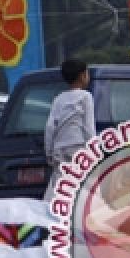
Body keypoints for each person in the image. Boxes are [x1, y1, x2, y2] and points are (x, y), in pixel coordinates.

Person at [44, 59, 95, 202]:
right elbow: (88, 127)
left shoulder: (58, 99)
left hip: (59, 148)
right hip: (78, 146)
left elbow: (50, 126)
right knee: (82, 184)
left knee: (59, 185)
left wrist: (49, 151)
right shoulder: (86, 96)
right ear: (82, 76)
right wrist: (94, 150)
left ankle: (53, 212)